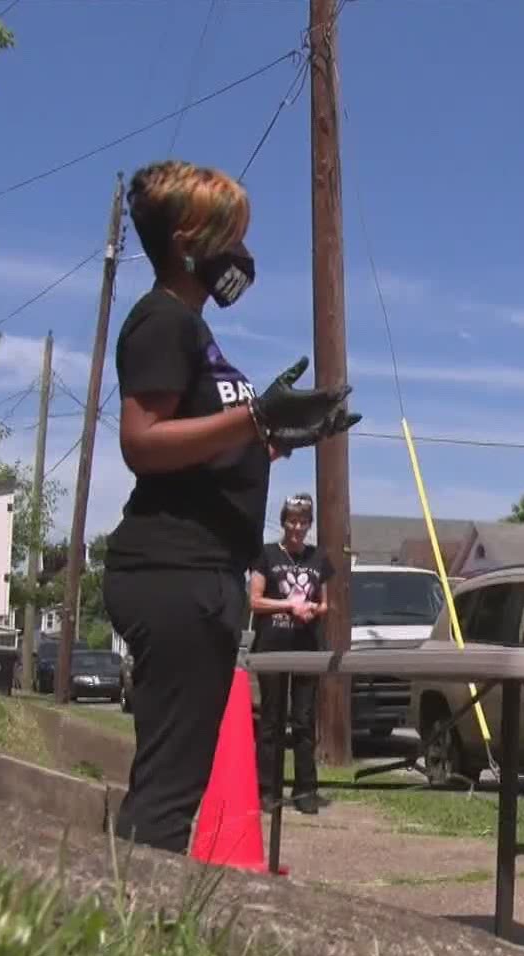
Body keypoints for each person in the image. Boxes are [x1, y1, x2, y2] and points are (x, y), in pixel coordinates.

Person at [104, 160, 360, 854]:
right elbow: (143, 441)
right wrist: (253, 422)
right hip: (172, 570)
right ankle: (124, 933)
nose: (243, 254)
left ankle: (127, 924)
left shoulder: (195, 332)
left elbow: (206, 456)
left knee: (174, 780)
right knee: (167, 790)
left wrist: (279, 438)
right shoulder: (163, 321)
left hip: (203, 574)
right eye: (232, 236)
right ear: (190, 242)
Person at [248, 493, 333, 814]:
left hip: (306, 648)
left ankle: (306, 790)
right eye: (292, 520)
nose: (297, 527)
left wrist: (313, 609)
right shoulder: (267, 555)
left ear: (309, 524)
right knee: (271, 720)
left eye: (303, 521)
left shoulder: (318, 558)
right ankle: (267, 789)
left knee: (303, 721)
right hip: (272, 648)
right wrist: (288, 605)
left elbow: (325, 604)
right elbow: (255, 601)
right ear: (284, 522)